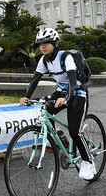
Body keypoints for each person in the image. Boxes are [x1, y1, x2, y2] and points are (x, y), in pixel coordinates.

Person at [19, 27, 95, 180]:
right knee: (45, 113)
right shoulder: (44, 60)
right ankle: (61, 139)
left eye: (47, 43)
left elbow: (73, 80)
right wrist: (26, 96)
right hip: (61, 91)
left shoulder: (65, 57)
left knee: (75, 131)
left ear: (56, 43)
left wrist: (67, 97)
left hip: (77, 93)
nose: (43, 46)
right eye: (40, 44)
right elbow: (35, 79)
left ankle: (88, 162)